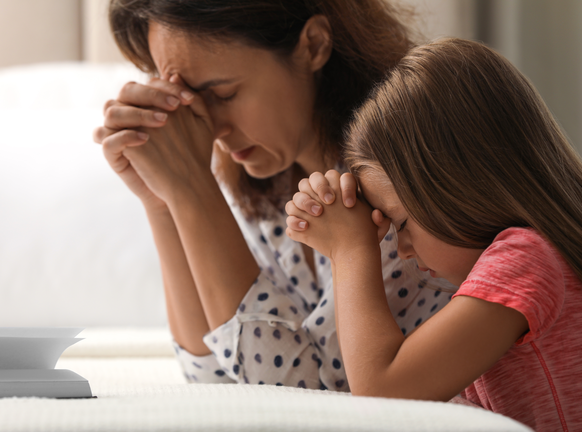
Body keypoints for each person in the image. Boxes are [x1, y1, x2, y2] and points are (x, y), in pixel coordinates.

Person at [92, 0, 455, 390]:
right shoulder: (274, 185)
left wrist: (192, 191)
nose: (210, 128)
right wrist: (162, 202)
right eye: (189, 101)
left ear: (314, 45)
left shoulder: (394, 186)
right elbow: (213, 375)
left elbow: (303, 394)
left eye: (224, 94)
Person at [285, 38, 582, 431]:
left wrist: (350, 250)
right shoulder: (538, 259)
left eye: (402, 224)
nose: (403, 250)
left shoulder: (526, 258)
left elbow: (382, 395)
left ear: (460, 185)